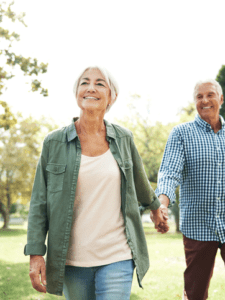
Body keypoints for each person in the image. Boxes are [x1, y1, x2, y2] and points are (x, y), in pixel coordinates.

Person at [24, 66, 169, 299]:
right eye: (85, 82)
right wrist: (35, 253)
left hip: (117, 255)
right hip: (71, 260)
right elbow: (39, 202)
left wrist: (155, 209)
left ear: (111, 96)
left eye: (100, 83)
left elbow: (139, 182)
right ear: (77, 93)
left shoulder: (124, 138)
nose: (91, 87)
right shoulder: (54, 142)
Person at [153, 79, 225, 300]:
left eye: (210, 95)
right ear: (195, 102)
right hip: (198, 224)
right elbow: (169, 173)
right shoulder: (181, 133)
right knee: (195, 292)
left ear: (221, 99)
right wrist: (162, 204)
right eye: (199, 96)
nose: (205, 100)